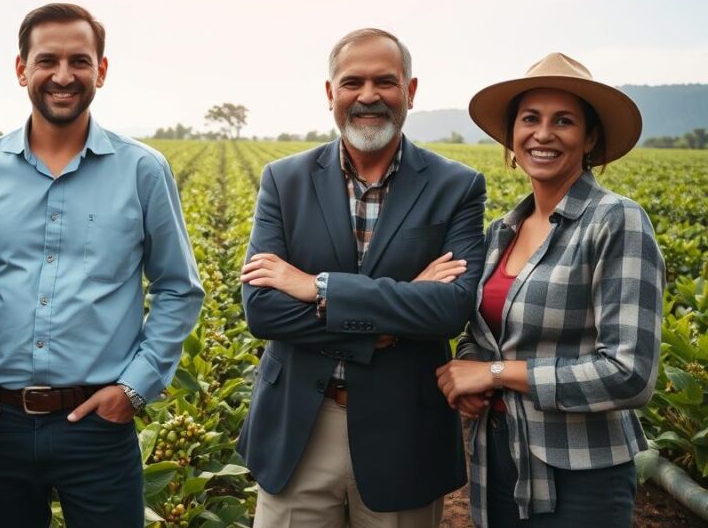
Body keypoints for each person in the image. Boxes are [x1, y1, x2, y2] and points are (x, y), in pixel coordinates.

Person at [0, 3, 204, 528]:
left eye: (79, 61)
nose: (63, 76)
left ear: (100, 71)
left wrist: (135, 387)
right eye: (47, 60)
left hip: (98, 423)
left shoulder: (142, 170)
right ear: (22, 69)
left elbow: (179, 288)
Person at [237, 28, 487, 527]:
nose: (368, 96)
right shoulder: (283, 180)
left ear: (410, 92)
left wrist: (317, 287)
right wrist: (393, 319)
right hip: (300, 428)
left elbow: (451, 309)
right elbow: (262, 310)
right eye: (352, 82)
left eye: (385, 82)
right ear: (331, 93)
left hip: (404, 434)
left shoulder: (456, 186)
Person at [437, 52, 665, 527]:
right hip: (497, 455)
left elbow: (629, 372)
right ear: (513, 136)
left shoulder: (616, 220)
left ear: (590, 137)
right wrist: (473, 366)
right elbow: (484, 336)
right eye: (530, 119)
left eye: (563, 121)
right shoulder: (503, 229)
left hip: (581, 473)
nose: (543, 134)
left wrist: (497, 373)